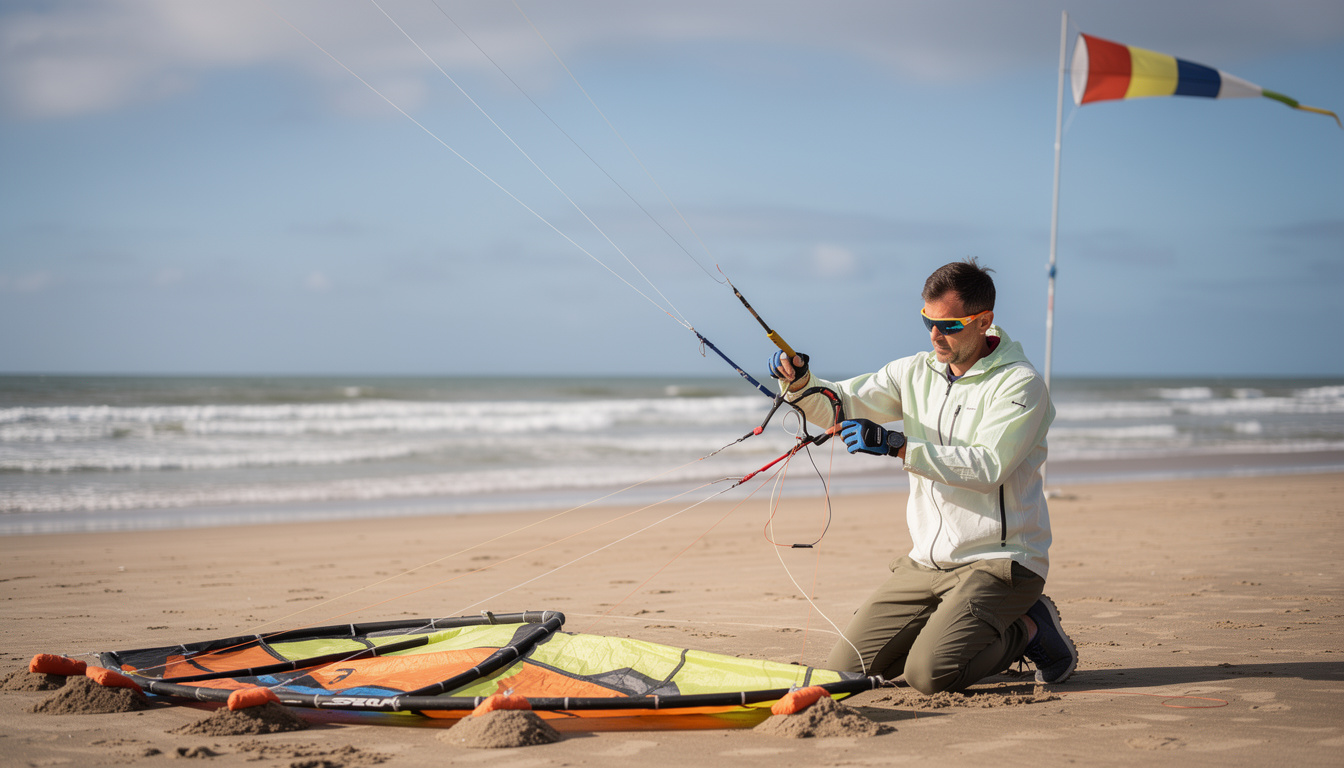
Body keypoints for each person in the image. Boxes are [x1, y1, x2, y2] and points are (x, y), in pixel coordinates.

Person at [768, 257, 1076, 693]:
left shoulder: (1020, 385)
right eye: (927, 322)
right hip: (925, 563)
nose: (935, 335)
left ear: (984, 321)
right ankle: (952, 623)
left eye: (949, 325)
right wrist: (799, 383)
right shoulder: (914, 371)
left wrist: (898, 445)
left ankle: (1029, 629)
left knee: (928, 674)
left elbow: (988, 466)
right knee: (846, 671)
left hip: (1000, 563)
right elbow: (839, 404)